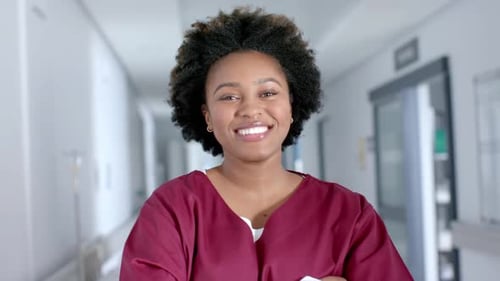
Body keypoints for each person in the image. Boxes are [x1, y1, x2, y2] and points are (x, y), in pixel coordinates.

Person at [120, 7, 413, 281]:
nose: (250, 109)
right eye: (229, 96)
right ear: (207, 116)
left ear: (291, 104)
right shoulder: (171, 211)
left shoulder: (350, 215)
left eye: (268, 93)